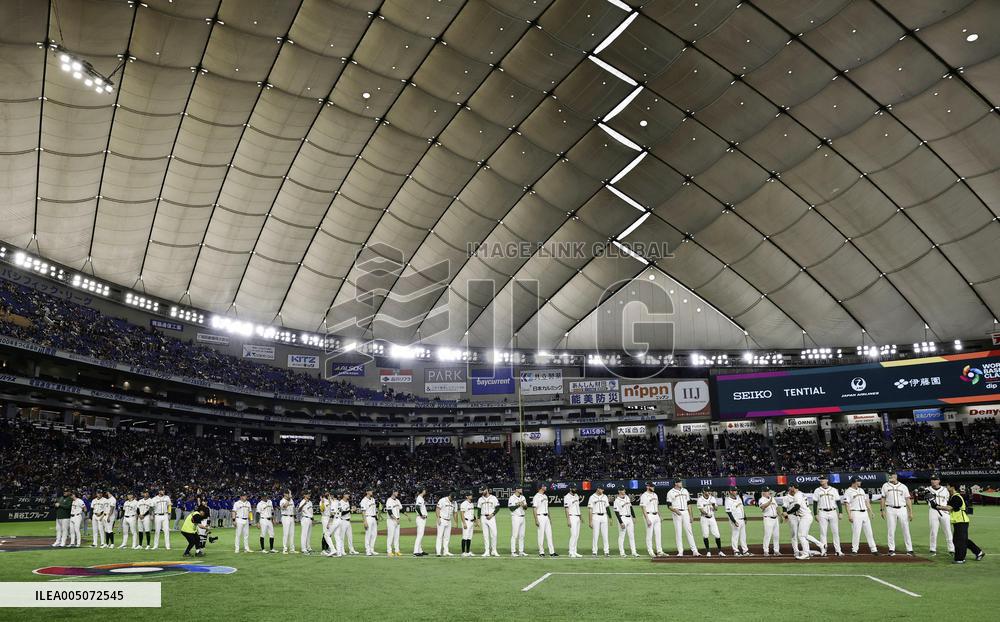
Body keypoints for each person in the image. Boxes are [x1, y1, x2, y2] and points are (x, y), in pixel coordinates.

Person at [933, 483, 985, 564]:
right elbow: (949, 508)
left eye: (948, 486)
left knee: (959, 541)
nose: (946, 487)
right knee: (963, 540)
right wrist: (937, 505)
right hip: (959, 522)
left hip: (961, 521)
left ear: (952, 487)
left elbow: (949, 508)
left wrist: (937, 506)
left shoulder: (956, 497)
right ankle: (979, 552)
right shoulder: (953, 497)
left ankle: (960, 559)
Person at [782, 483, 823, 560]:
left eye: (790, 487)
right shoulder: (800, 494)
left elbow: (797, 506)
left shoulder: (797, 495)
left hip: (804, 516)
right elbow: (785, 506)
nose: (789, 489)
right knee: (802, 535)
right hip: (801, 516)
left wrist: (787, 513)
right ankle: (819, 546)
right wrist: (787, 514)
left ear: (793, 487)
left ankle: (806, 553)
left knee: (801, 535)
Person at [880, 472, 913, 556]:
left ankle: (909, 549)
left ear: (896, 476)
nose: (891, 477)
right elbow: (883, 498)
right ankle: (891, 549)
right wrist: (882, 510)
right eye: (890, 475)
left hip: (902, 509)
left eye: (892, 475)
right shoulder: (885, 485)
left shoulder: (903, 486)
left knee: (906, 529)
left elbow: (908, 499)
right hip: (890, 509)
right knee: (891, 530)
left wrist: (910, 512)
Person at [843, 477, 878, 555]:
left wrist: (871, 511)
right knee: (856, 532)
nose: (860, 482)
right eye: (859, 481)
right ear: (855, 482)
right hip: (855, 513)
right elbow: (846, 504)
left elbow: (866, 501)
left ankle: (874, 550)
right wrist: (849, 515)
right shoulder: (848, 491)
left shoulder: (861, 490)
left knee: (869, 532)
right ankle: (854, 550)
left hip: (865, 513)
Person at [666, 479, 699, 556]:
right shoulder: (670, 492)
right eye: (679, 482)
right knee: (678, 532)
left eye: (680, 482)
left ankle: (695, 551)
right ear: (675, 483)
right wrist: (675, 510)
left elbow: (689, 504)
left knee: (689, 531)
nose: (681, 483)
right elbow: (669, 505)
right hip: (676, 513)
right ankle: (680, 551)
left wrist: (691, 515)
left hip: (686, 512)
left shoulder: (685, 491)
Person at [812, 476, 843, 556]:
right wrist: (815, 514)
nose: (821, 480)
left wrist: (840, 512)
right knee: (823, 532)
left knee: (835, 532)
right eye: (820, 479)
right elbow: (815, 503)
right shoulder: (817, 490)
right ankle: (823, 550)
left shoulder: (833, 490)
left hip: (833, 511)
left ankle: (838, 550)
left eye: (823, 479)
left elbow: (838, 501)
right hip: (822, 512)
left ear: (827, 480)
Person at [926, 474, 954, 557]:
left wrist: (947, 509)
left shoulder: (945, 490)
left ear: (939, 481)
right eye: (932, 479)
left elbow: (949, 500)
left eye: (935, 479)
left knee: (948, 531)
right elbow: (926, 499)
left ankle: (951, 549)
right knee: (933, 531)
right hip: (933, 511)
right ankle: (932, 549)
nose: (933, 481)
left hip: (944, 511)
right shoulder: (927, 489)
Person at [696, 488, 725, 557]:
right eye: (707, 491)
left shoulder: (712, 498)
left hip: (712, 518)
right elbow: (701, 510)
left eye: (709, 491)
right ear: (703, 491)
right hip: (704, 519)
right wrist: (706, 514)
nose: (709, 492)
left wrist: (714, 506)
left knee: (717, 535)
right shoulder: (700, 500)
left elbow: (716, 509)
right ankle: (708, 551)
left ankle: (720, 551)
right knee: (705, 535)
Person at [638, 482, 664, 557]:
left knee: (658, 534)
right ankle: (651, 551)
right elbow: (643, 508)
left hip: (656, 516)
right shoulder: (644, 496)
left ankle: (660, 551)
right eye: (652, 486)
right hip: (649, 515)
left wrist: (660, 515)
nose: (653, 487)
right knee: (649, 534)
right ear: (647, 487)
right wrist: (647, 519)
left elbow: (657, 505)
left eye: (653, 486)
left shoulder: (655, 494)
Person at [613, 489, 639, 557]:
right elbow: (616, 512)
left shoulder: (627, 497)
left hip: (629, 518)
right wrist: (621, 522)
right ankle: (622, 553)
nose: (624, 491)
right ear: (619, 491)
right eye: (622, 490)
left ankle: (634, 552)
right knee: (622, 536)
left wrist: (634, 516)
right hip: (622, 518)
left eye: (624, 490)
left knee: (631, 536)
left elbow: (630, 507)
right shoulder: (617, 501)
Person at [724, 487, 749, 556]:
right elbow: (728, 512)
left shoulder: (738, 498)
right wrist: (734, 521)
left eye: (736, 491)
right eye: (734, 491)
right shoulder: (728, 500)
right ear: (730, 492)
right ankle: (736, 551)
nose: (736, 492)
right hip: (736, 520)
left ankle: (745, 551)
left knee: (743, 536)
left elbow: (742, 508)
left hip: (742, 519)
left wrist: (745, 517)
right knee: (735, 535)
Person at [532, 484, 556, 557]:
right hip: (540, 516)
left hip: (546, 517)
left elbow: (547, 508)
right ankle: (541, 552)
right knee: (541, 535)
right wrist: (536, 520)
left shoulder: (545, 496)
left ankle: (552, 552)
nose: (546, 487)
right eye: (544, 486)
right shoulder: (536, 497)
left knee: (549, 535)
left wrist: (550, 518)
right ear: (541, 488)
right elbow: (534, 509)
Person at [588, 485, 611, 557]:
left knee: (605, 535)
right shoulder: (592, 497)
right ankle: (594, 551)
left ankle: (606, 551)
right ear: (598, 489)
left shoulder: (605, 496)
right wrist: (590, 521)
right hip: (595, 516)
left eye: (603, 489)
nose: (603, 491)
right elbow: (590, 509)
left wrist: (610, 517)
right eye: (601, 489)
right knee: (595, 534)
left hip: (604, 516)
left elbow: (607, 507)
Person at [476, 487, 500, 557]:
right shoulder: (480, 499)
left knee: (494, 534)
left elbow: (498, 507)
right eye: (481, 490)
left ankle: (494, 550)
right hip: (483, 517)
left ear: (486, 489)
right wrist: (478, 519)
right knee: (485, 535)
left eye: (483, 490)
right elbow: (479, 510)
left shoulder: (493, 498)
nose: (482, 491)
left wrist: (492, 514)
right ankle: (486, 551)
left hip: (491, 517)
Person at [759, 487, 781, 556]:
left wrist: (780, 515)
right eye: (766, 491)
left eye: (768, 491)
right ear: (763, 492)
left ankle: (776, 551)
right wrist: (770, 501)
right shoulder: (761, 499)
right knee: (767, 535)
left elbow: (777, 507)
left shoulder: (772, 499)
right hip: (768, 519)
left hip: (775, 519)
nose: (768, 492)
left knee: (776, 536)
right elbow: (763, 507)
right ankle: (766, 551)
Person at [508, 486, 528, 557]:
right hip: (516, 517)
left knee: (522, 535)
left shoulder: (523, 497)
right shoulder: (512, 498)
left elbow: (526, 508)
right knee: (514, 535)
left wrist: (523, 505)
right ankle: (513, 552)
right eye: (520, 488)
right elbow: (510, 508)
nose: (521, 489)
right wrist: (518, 504)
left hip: (523, 517)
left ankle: (521, 551)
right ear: (516, 489)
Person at [563, 486, 582, 558]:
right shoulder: (567, 497)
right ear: (570, 489)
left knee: (577, 535)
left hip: (577, 517)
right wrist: (568, 520)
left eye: (575, 488)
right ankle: (571, 552)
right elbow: (566, 509)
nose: (575, 489)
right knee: (573, 535)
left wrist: (580, 516)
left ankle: (574, 551)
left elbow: (577, 507)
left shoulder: (576, 496)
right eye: (574, 488)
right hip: (572, 517)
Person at [359, 489, 379, 556]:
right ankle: (367, 550)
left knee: (374, 534)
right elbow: (363, 512)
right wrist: (365, 521)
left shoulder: (373, 499)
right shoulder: (363, 500)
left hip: (373, 518)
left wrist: (376, 519)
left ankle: (372, 549)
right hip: (368, 518)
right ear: (367, 492)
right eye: (370, 491)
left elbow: (374, 510)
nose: (372, 492)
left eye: (372, 491)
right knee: (368, 535)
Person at [436, 492, 455, 556]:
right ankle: (438, 552)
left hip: (449, 521)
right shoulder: (442, 500)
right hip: (442, 520)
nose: (453, 499)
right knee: (440, 536)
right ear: (449, 495)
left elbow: (455, 512)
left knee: (447, 537)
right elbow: (438, 509)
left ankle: (446, 551)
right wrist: (438, 518)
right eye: (452, 498)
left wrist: (455, 521)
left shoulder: (454, 502)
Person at [385, 490, 403, 557]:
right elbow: (389, 512)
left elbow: (401, 508)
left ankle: (397, 551)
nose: (398, 493)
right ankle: (389, 551)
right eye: (396, 492)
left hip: (397, 521)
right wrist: (396, 519)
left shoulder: (397, 500)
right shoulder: (389, 500)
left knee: (397, 537)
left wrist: (407, 515)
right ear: (393, 492)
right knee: (390, 536)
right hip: (391, 521)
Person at [459, 492, 476, 557]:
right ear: (467, 496)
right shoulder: (464, 504)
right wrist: (464, 523)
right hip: (466, 521)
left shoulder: (471, 504)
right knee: (465, 537)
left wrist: (475, 521)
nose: (471, 496)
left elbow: (472, 513)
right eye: (470, 495)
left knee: (469, 537)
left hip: (471, 522)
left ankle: (468, 552)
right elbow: (462, 513)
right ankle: (463, 552)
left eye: (471, 495)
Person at [413, 488, 428, 557]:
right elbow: (417, 507)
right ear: (422, 491)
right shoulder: (419, 498)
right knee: (420, 535)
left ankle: (420, 550)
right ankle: (415, 551)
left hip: (421, 518)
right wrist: (421, 515)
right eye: (424, 490)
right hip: (420, 518)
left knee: (420, 535)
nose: (425, 491)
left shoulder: (421, 498)